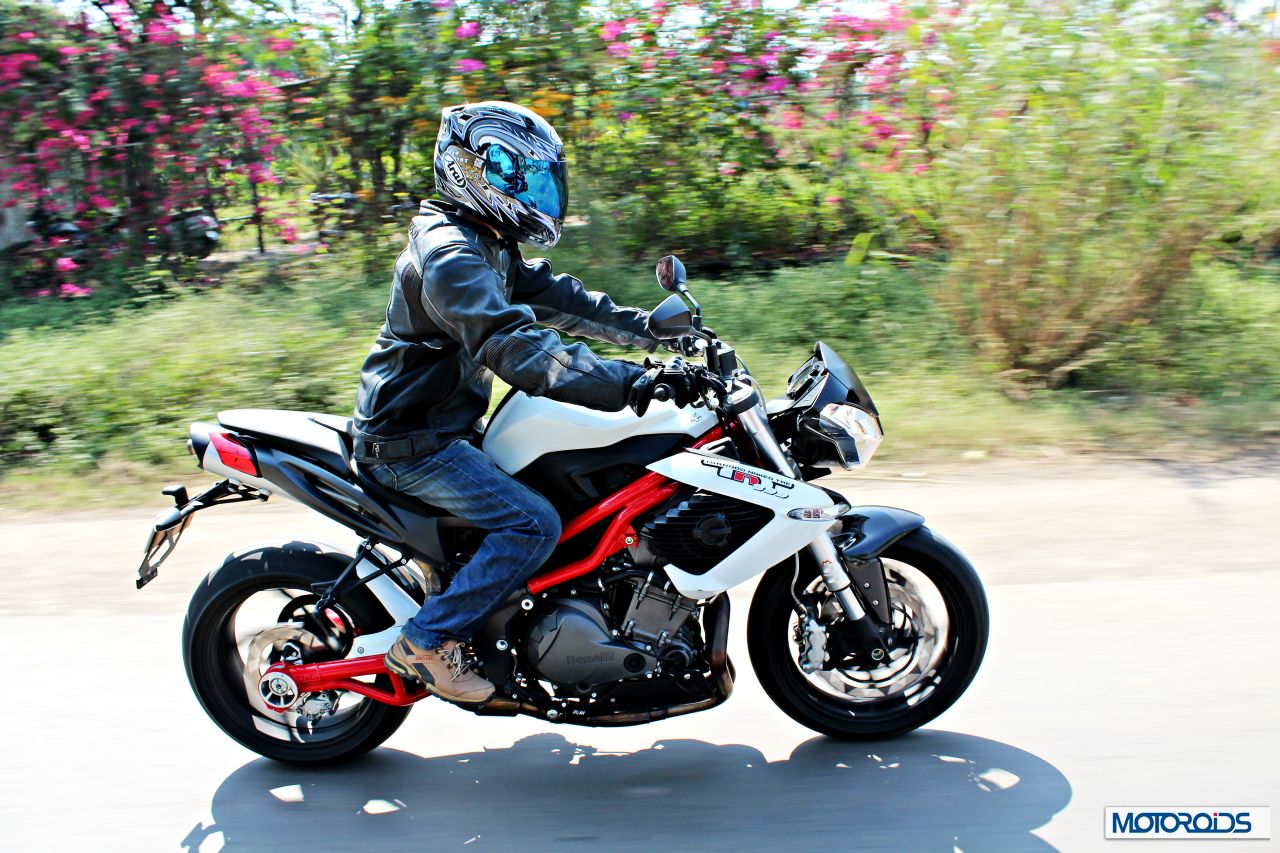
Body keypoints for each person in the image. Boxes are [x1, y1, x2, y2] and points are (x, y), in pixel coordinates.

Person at [352, 101, 691, 705]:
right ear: (475, 170)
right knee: (532, 523)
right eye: (525, 178)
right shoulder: (451, 256)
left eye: (543, 180)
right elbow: (517, 349)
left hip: (443, 426)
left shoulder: (486, 242)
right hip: (412, 443)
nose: (539, 194)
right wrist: (629, 384)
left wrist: (652, 331)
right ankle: (426, 641)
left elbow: (562, 300)